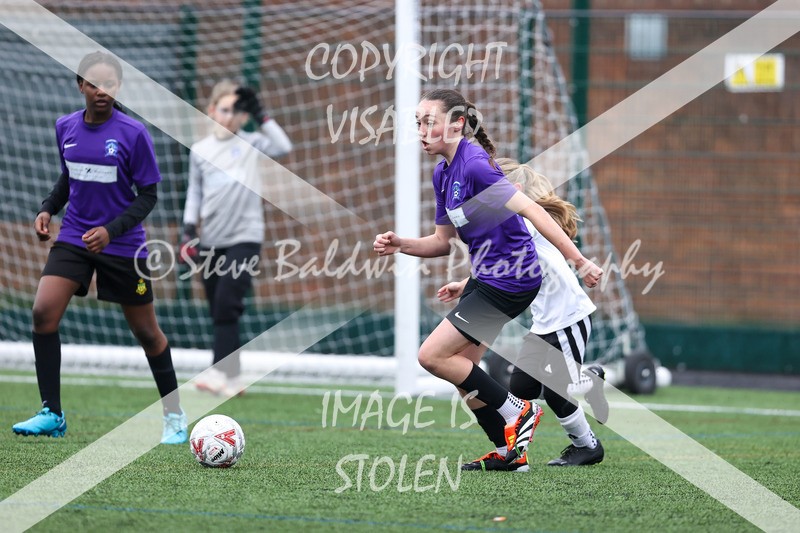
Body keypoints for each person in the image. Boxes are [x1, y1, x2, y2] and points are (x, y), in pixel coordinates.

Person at [373, 89, 603, 470]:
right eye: (417, 122)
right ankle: (509, 453)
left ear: (457, 123)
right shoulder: (442, 173)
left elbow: (532, 211)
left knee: (430, 355)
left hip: (513, 279)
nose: (421, 130)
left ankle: (518, 411)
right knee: (463, 370)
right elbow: (442, 243)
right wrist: (401, 244)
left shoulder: (476, 165)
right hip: (489, 278)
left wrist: (578, 259)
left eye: (429, 121)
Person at [12, 51, 187, 444]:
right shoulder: (65, 127)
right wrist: (47, 209)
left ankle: (174, 415)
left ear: (119, 87)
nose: (101, 91)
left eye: (109, 84)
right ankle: (52, 413)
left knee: (147, 333)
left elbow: (148, 196)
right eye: (93, 83)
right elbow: (69, 179)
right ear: (80, 86)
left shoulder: (134, 134)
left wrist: (111, 230)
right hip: (74, 236)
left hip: (124, 245)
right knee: (42, 312)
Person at [438, 158, 608, 468]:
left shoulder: (523, 221)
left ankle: (587, 444)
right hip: (544, 321)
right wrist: (464, 284)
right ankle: (582, 381)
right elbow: (500, 268)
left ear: (512, 191)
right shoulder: (508, 224)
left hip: (569, 315)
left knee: (557, 391)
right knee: (520, 389)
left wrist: (582, 263)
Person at [181, 80, 292, 398]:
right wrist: (189, 230)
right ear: (212, 111)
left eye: (237, 111)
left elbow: (283, 146)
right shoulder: (200, 151)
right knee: (219, 309)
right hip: (211, 240)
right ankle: (232, 378)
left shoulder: (252, 141)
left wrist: (262, 115)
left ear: (244, 116)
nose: (230, 117)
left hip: (245, 238)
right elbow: (195, 194)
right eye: (225, 109)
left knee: (228, 302)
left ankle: (217, 372)